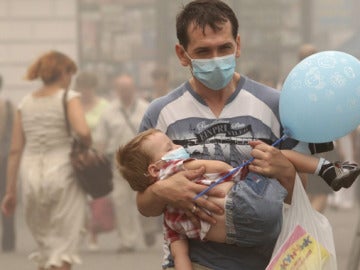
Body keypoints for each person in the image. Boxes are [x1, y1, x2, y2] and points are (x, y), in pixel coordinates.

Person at [135, 1, 350, 269]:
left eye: (224, 48)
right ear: (182, 54)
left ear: (238, 44)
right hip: (194, 262)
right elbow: (144, 204)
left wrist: (285, 172)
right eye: (203, 51)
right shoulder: (160, 113)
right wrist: (163, 190)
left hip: (268, 260)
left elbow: (297, 197)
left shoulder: (275, 104)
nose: (216, 58)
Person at [117, 128, 360, 269]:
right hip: (246, 204)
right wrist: (231, 171)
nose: (177, 145)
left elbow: (180, 256)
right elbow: (215, 167)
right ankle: (326, 169)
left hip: (240, 236)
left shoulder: (170, 221)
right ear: (153, 169)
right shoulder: (174, 166)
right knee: (270, 155)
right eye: (170, 144)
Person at [1, 51, 91, 270]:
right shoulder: (69, 98)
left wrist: (10, 191)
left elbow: (15, 151)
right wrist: (86, 143)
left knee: (48, 248)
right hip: (63, 173)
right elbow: (83, 131)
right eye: (70, 72)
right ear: (62, 72)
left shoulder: (25, 103)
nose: (70, 78)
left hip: (31, 175)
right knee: (63, 251)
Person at [94, 73, 149, 252]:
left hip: (143, 163)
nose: (125, 92)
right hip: (118, 163)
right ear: (116, 91)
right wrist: (98, 158)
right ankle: (127, 240)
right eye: (121, 89)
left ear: (134, 89)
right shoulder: (109, 111)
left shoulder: (145, 108)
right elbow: (101, 139)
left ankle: (146, 229)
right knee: (120, 201)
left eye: (128, 89)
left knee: (141, 199)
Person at [74, 71, 113, 251]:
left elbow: (107, 131)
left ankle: (94, 234)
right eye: (82, 88)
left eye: (88, 88)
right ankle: (79, 231)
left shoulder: (105, 106)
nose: (85, 92)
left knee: (96, 198)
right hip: (77, 156)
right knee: (77, 197)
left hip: (97, 156)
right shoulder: (74, 106)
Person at [0, 74, 16, 252]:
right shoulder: (9, 107)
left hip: (4, 162)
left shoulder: (9, 107)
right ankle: (8, 242)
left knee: (6, 200)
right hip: (5, 160)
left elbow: (12, 137)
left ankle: (8, 241)